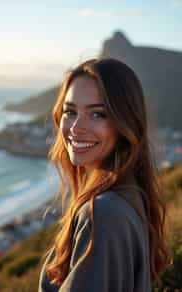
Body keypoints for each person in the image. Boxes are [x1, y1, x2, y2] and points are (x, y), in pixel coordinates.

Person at [38, 58, 171, 292]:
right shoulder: (129, 195)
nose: (77, 126)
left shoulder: (104, 213)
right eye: (70, 111)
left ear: (125, 123)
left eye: (98, 114)